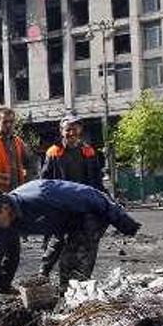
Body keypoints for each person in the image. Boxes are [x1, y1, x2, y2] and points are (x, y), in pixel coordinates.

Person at [0, 180, 141, 294]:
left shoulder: (41, 197)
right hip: (64, 222)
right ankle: (65, 291)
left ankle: (74, 301)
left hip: (90, 213)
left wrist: (123, 222)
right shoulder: (4, 220)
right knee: (55, 257)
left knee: (70, 266)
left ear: (4, 207)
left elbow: (92, 196)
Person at [39, 115, 105, 277]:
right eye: (68, 129)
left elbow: (96, 180)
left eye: (74, 129)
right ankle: (44, 270)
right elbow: (45, 181)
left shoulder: (88, 152)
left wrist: (105, 200)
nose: (71, 132)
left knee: (83, 240)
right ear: (62, 132)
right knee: (58, 239)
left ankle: (77, 277)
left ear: (80, 130)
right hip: (61, 205)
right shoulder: (53, 152)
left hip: (83, 205)